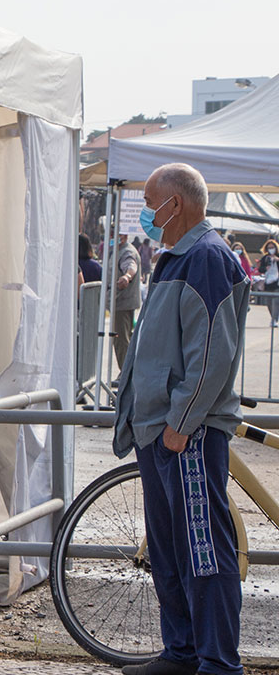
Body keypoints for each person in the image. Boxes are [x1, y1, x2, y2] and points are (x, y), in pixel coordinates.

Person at [113, 163, 248, 675]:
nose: (147, 212)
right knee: (170, 551)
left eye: (152, 202)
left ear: (177, 203)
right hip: (163, 429)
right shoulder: (176, 257)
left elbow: (210, 351)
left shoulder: (206, 258)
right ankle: (182, 652)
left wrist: (181, 423)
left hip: (184, 432)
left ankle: (216, 663)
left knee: (203, 551)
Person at [112, 234, 142, 367]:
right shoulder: (119, 250)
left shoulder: (127, 252)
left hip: (122, 302)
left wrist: (127, 276)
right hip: (122, 302)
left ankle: (125, 373)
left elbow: (131, 266)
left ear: (123, 236)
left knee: (121, 340)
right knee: (123, 338)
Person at [258, 239, 279, 328]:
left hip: (277, 282)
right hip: (268, 282)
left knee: (276, 301)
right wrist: (265, 268)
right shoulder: (265, 258)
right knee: (269, 303)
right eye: (269, 247)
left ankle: (274, 320)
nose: (271, 249)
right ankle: (273, 317)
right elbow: (260, 269)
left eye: (272, 247)